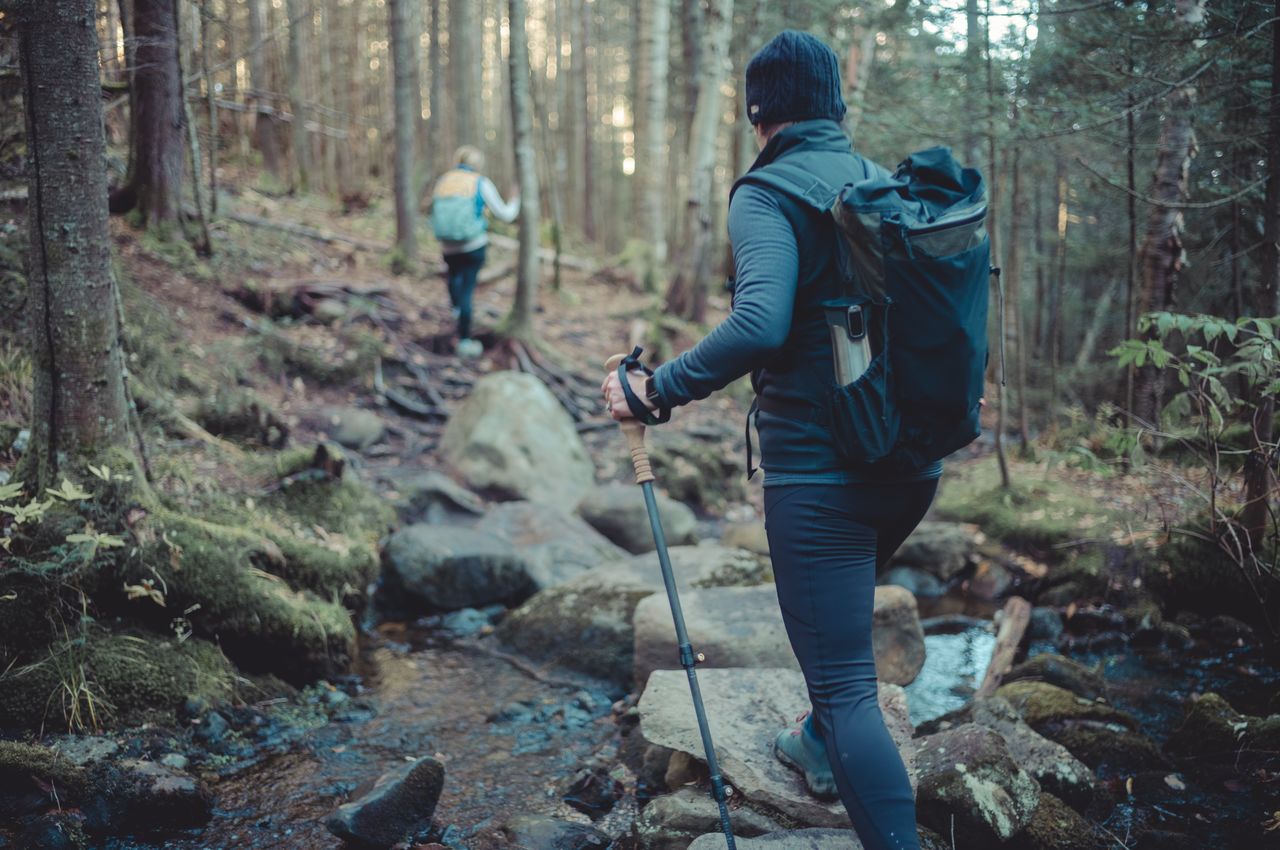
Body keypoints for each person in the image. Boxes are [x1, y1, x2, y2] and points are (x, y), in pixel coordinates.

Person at [602, 30, 933, 850]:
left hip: (822, 479)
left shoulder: (767, 192)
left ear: (761, 115)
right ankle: (818, 745)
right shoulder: (877, 185)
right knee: (838, 640)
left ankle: (862, 781)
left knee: (851, 684)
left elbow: (759, 322)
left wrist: (655, 392)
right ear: (835, 105)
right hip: (912, 468)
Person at [431, 145, 519, 359]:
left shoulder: (444, 182)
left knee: (453, 278)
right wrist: (516, 199)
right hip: (473, 245)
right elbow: (505, 214)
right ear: (477, 163)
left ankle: (457, 312)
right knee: (468, 288)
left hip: (447, 245)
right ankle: (464, 340)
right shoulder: (480, 182)